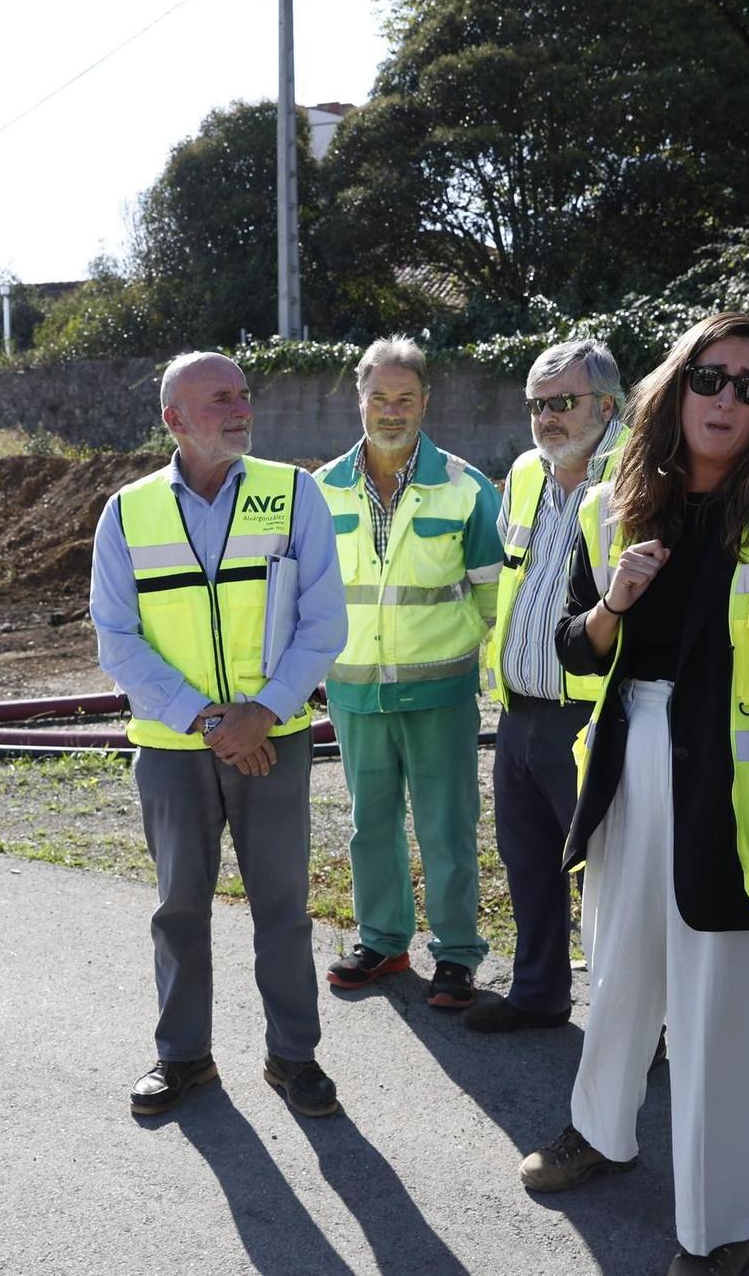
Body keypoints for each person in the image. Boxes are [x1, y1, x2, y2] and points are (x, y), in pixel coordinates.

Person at [518, 311, 749, 1276]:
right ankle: (600, 1129)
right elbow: (574, 649)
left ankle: (718, 1228)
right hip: (633, 767)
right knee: (619, 963)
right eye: (712, 377)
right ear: (677, 388)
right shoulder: (613, 504)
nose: (728, 400)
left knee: (726, 1010)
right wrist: (613, 600)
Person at [90, 351, 347, 1119]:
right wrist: (209, 721)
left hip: (275, 736)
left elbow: (323, 619)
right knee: (178, 906)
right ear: (174, 419)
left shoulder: (292, 492)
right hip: (175, 746)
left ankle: (293, 1057)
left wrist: (260, 712)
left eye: (244, 395)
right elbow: (116, 637)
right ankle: (184, 1057)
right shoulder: (127, 512)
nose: (240, 409)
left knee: (283, 904)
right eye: (219, 399)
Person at [313, 337, 503, 1009]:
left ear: (425, 401)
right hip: (355, 687)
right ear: (358, 398)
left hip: (440, 690)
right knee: (370, 823)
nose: (391, 411)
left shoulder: (465, 487)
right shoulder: (320, 490)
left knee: (446, 824)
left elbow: (491, 598)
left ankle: (455, 954)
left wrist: (461, 656)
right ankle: (384, 940)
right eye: (379, 397)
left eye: (405, 398)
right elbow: (306, 591)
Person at [468, 338, 627, 1034]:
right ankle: (537, 993)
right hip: (520, 713)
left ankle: (631, 1023)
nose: (547, 418)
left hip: (598, 718)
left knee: (611, 881)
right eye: (537, 404)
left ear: (607, 405)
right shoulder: (528, 472)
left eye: (563, 402)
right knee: (528, 863)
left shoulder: (641, 475)